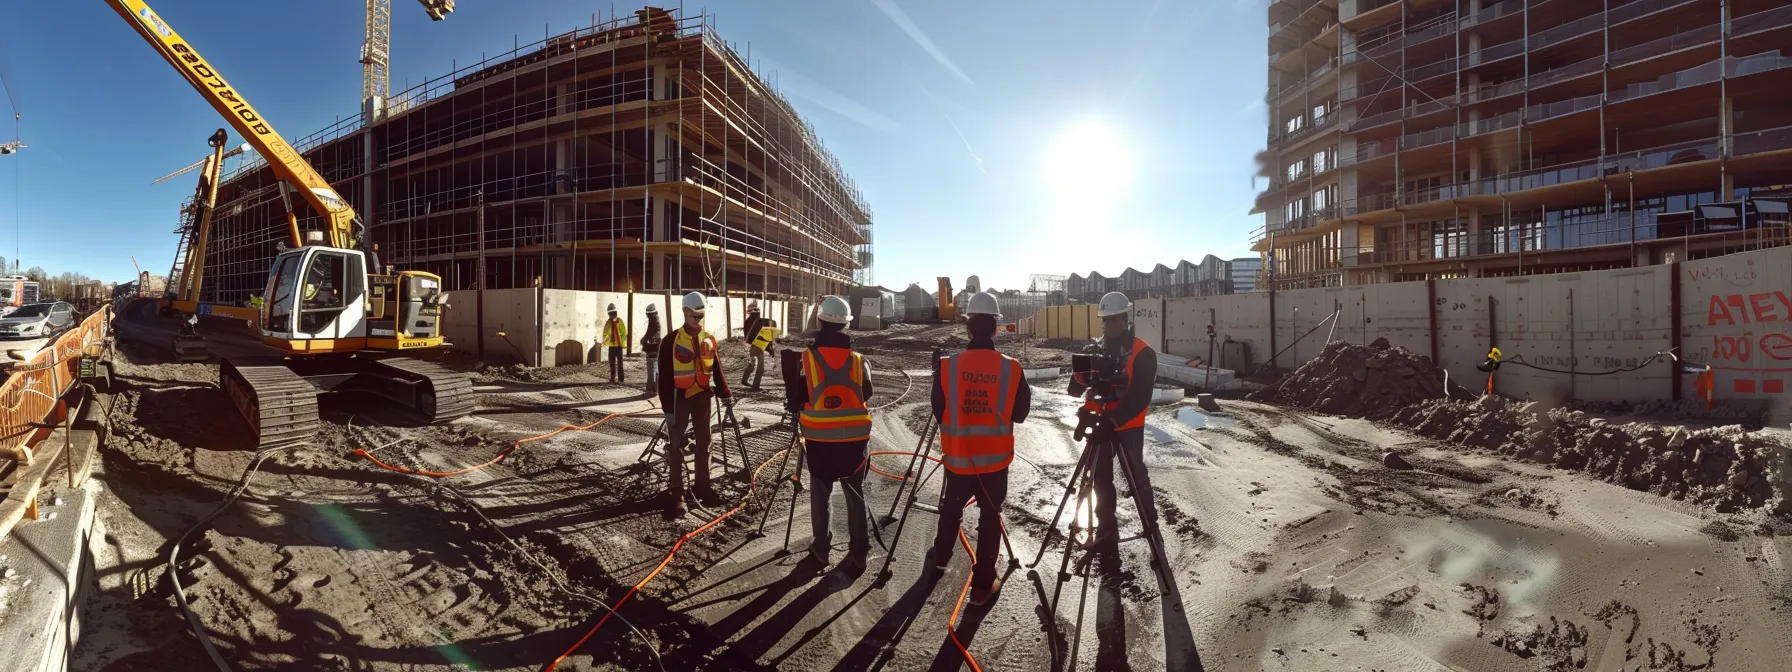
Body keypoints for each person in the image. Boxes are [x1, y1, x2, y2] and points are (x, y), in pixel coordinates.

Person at [928, 292, 1030, 605]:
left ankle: (939, 561)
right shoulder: (1011, 369)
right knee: (989, 517)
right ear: (996, 328)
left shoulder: (947, 368)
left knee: (951, 510)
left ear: (968, 328)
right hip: (994, 464)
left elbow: (938, 409)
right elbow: (1021, 414)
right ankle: (983, 584)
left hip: (958, 461)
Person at [788, 295, 874, 571]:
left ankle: (822, 550)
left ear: (820, 320)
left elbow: (798, 397)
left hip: (820, 442)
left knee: (820, 495)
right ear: (846, 325)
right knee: (855, 494)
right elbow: (867, 392)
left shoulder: (807, 360)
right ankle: (859, 551)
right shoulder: (859, 360)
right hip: (854, 443)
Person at [1078, 291, 1158, 548]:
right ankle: (1106, 530)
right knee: (1101, 478)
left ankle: (1150, 525)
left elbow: (1139, 397)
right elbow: (1087, 386)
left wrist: (1112, 421)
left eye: (1114, 319)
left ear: (1125, 319)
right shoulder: (1098, 348)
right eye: (1106, 320)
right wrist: (1086, 408)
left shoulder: (1143, 352)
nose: (1109, 325)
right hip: (1102, 424)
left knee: (1136, 476)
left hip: (1128, 427)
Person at [658, 291, 732, 516]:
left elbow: (716, 369)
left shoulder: (708, 339)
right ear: (685, 312)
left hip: (702, 396)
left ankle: (703, 486)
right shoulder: (671, 341)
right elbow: (663, 376)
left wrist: (725, 393)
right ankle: (677, 491)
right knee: (676, 444)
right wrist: (667, 409)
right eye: (694, 315)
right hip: (679, 398)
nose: (697, 319)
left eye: (700, 315)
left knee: (704, 442)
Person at [602, 303, 629, 384]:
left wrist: (622, 342)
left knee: (619, 364)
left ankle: (621, 379)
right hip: (612, 346)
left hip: (618, 346)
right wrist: (605, 343)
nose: (610, 315)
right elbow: (605, 334)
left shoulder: (619, 321)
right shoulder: (609, 322)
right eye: (610, 314)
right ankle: (613, 378)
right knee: (612, 363)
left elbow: (624, 334)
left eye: (611, 313)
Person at [640, 303, 662, 395]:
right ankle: (653, 390)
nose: (647, 316)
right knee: (653, 370)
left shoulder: (655, 322)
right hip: (653, 349)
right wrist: (644, 339)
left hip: (653, 349)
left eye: (648, 314)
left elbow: (655, 334)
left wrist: (647, 339)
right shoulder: (653, 321)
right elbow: (649, 333)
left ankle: (651, 390)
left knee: (652, 371)